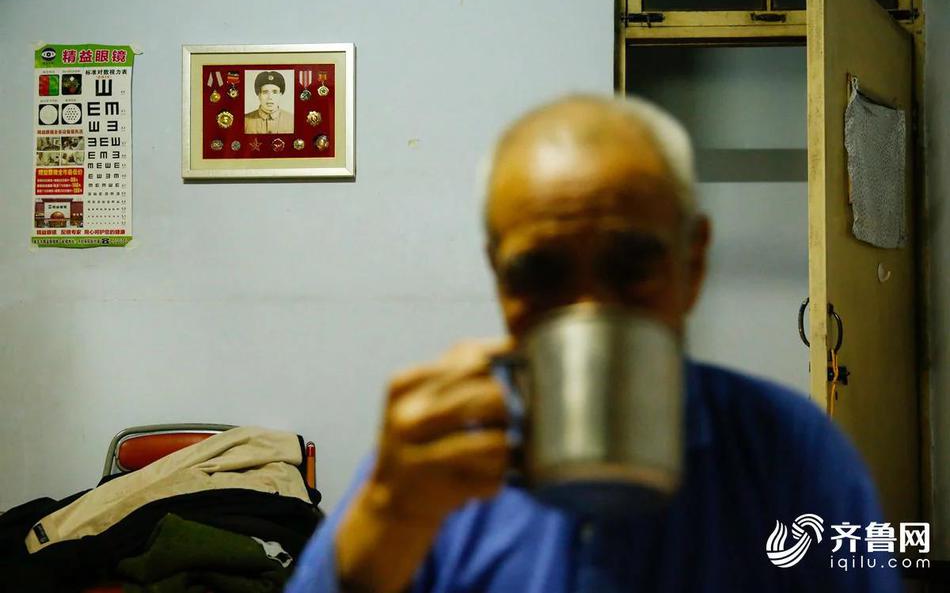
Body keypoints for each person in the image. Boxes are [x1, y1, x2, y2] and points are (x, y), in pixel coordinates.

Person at [286, 95, 899, 593]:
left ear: (695, 262)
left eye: (632, 265)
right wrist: (389, 519)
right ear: (499, 279)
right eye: (540, 274)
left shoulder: (790, 454)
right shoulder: (436, 462)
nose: (590, 307)